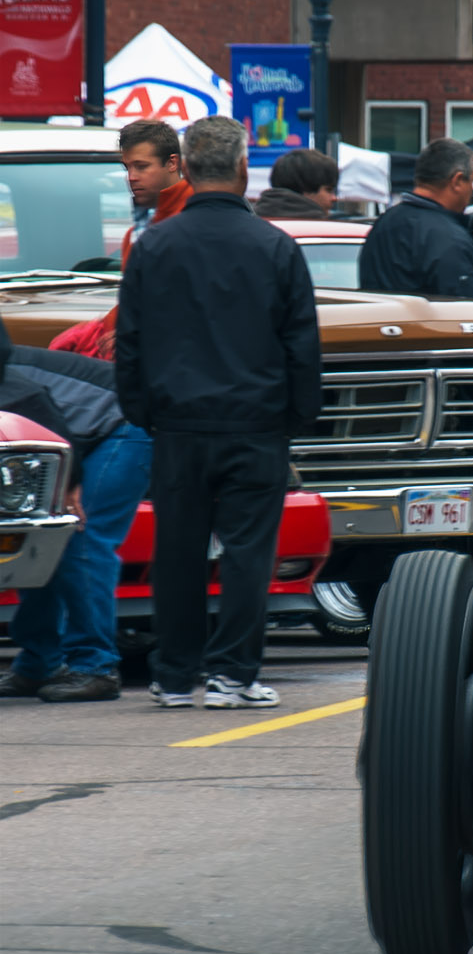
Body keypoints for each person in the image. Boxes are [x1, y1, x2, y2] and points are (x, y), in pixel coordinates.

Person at [115, 116, 322, 710]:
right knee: (247, 554)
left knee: (177, 553)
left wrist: (141, 409)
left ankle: (175, 674)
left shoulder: (155, 244)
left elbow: (131, 339)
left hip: (177, 424)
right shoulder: (276, 246)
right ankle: (233, 674)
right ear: (240, 169)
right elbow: (300, 344)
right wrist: (297, 416)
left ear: (187, 166)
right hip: (256, 424)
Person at [0, 321, 151, 703]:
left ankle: (95, 667)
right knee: (38, 539)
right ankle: (38, 664)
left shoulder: (8, 379)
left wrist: (69, 481)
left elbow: (40, 413)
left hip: (124, 422)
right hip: (75, 434)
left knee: (81, 536)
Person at [52, 119, 193, 360]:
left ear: (172, 163)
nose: (131, 177)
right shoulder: (137, 232)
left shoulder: (195, 221)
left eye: (141, 166)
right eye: (127, 167)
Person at [358, 138, 473, 298]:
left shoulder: (382, 225)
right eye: (472, 180)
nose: (472, 190)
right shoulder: (449, 238)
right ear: (457, 181)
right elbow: (467, 311)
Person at [255, 148, 339, 219]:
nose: (334, 198)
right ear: (306, 188)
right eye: (329, 190)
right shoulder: (322, 231)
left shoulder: (251, 221)